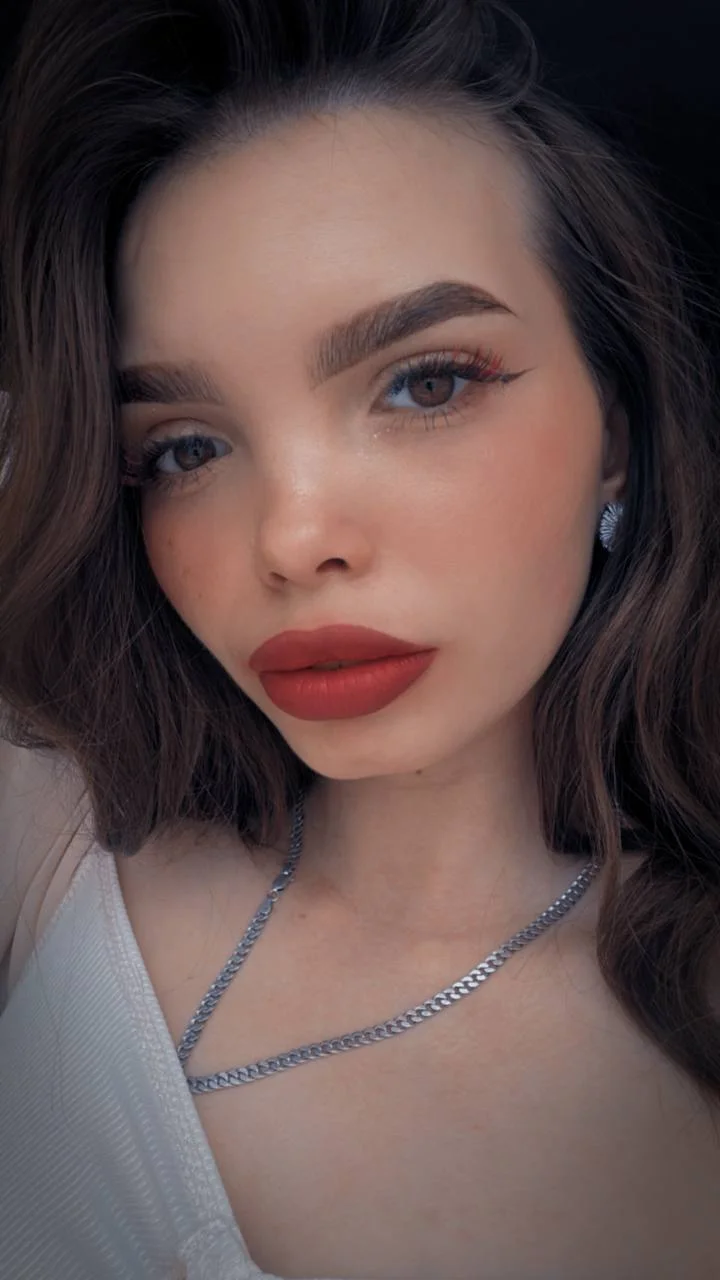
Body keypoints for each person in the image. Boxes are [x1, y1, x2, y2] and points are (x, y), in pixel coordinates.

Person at [1, 0, 719, 1276]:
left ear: (615, 435)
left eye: (426, 382)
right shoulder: (52, 855)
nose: (292, 538)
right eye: (186, 447)